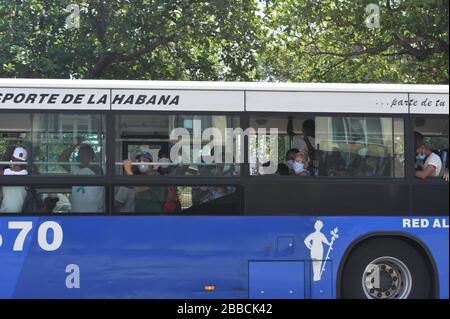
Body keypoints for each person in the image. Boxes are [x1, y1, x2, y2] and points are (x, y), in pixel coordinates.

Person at [59, 139, 104, 212]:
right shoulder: (76, 169)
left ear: (91, 156)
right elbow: (61, 160)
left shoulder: (97, 169)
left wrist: (87, 161)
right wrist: (74, 146)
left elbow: (97, 168)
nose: (79, 157)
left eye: (83, 155)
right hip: (76, 215)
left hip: (94, 216)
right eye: (79, 155)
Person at [0, 147, 29, 213]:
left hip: (3, 213)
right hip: (21, 214)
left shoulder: (3, 173)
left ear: (12, 158)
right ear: (24, 161)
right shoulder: (27, 174)